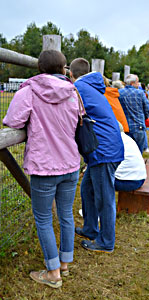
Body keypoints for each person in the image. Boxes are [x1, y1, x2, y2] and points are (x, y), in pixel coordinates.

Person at [3, 50, 81, 288]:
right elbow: (78, 120)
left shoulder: (30, 91)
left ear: (39, 67)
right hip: (70, 163)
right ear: (63, 68)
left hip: (45, 167)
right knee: (66, 213)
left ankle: (53, 272)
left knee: (44, 218)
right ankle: (65, 263)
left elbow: (13, 121)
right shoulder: (73, 91)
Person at [69, 58, 124, 253]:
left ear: (70, 74)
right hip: (105, 148)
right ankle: (90, 228)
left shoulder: (78, 87)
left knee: (104, 198)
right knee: (87, 189)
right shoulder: (90, 86)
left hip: (103, 151)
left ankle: (106, 242)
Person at [118, 74, 149, 153]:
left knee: (126, 152)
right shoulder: (140, 93)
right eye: (137, 82)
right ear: (132, 83)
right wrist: (146, 118)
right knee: (138, 152)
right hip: (138, 126)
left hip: (124, 127)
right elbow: (147, 109)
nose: (138, 84)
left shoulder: (119, 93)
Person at [115, 122, 146, 191]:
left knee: (95, 180)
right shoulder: (126, 138)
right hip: (140, 178)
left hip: (127, 182)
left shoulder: (115, 141)